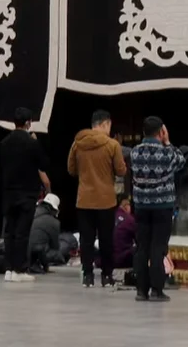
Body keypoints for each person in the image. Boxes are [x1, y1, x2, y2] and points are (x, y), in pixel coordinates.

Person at [68, 108, 126, 288]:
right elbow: (121, 170)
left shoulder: (77, 143)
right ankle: (107, 275)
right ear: (104, 124)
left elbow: (71, 169)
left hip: (84, 199)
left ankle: (87, 276)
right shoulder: (112, 145)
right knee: (106, 238)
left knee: (86, 239)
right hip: (106, 199)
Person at [129, 116, 186, 302]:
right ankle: (157, 290)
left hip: (141, 206)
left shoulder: (134, 153)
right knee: (158, 248)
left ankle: (141, 291)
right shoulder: (166, 153)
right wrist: (168, 142)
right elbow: (181, 161)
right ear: (161, 132)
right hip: (162, 206)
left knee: (142, 247)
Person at [0, 107, 50, 283]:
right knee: (22, 233)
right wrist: (35, 141)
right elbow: (43, 164)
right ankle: (20, 269)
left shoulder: (4, 142)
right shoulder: (31, 142)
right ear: (28, 123)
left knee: (9, 232)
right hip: (26, 193)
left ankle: (8, 269)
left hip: (8, 192)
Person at [28, 193, 64, 272]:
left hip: (21, 252)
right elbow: (55, 246)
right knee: (59, 254)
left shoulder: (30, 212)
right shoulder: (54, 222)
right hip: (35, 252)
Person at [113, 197, 136, 270]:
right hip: (123, 259)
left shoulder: (111, 217)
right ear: (126, 206)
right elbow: (139, 239)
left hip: (107, 260)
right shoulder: (130, 219)